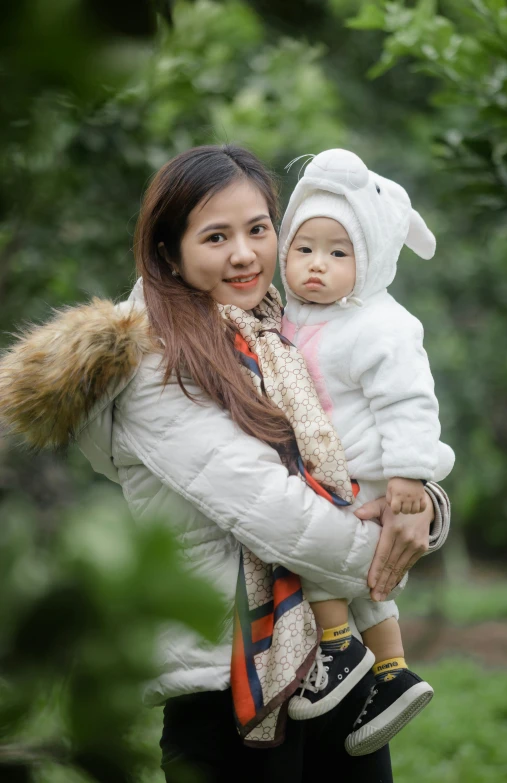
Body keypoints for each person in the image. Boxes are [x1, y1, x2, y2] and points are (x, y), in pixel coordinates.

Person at [0, 144, 450, 783]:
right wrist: (392, 556)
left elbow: (362, 447)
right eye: (216, 235)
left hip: (330, 668)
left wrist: (423, 502)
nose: (245, 253)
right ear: (168, 252)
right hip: (229, 677)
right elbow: (274, 513)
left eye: (259, 229)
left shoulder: (283, 332)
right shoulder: (154, 363)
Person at [278, 148, 454, 754]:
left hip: (368, 475)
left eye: (338, 252)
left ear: (371, 258)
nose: (317, 266)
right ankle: (392, 672)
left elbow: (409, 398)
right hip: (339, 470)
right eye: (304, 250)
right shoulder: (291, 318)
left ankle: (337, 650)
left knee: (314, 553)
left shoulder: (382, 323)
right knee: (370, 586)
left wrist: (409, 474)